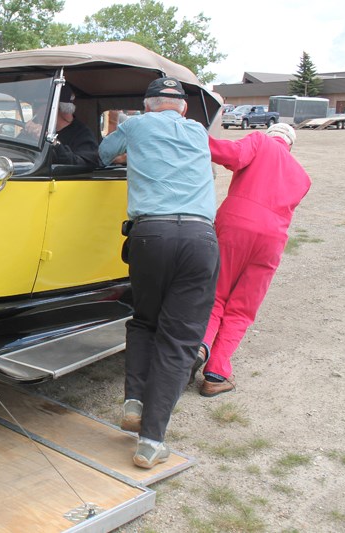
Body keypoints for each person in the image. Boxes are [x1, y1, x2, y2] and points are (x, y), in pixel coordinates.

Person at [98, 77, 220, 469]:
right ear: (183, 108)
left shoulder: (135, 125)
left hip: (150, 233)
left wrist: (127, 137)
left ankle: (134, 399)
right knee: (179, 339)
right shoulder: (199, 131)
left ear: (148, 105)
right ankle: (151, 442)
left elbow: (102, 154)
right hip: (200, 237)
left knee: (144, 321)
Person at [194, 122, 311, 397]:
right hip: (272, 239)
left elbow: (232, 155)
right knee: (243, 308)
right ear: (290, 145)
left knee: (217, 293)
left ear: (272, 135)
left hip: (235, 226)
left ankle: (199, 346)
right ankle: (216, 374)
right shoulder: (303, 177)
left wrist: (197, 136)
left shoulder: (259, 140)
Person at [22, 85, 100, 171]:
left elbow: (84, 165)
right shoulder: (34, 131)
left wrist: (52, 142)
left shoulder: (83, 134)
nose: (34, 111)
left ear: (56, 108)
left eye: (37, 105)